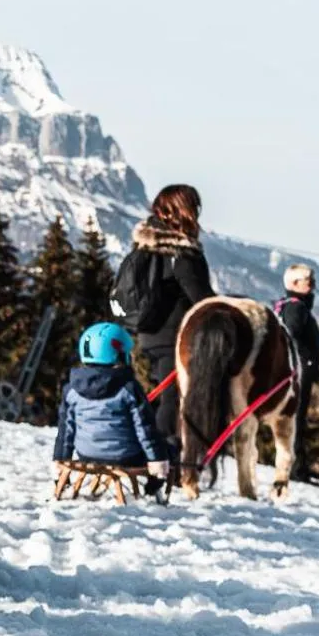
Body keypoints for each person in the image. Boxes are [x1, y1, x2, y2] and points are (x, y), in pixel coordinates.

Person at [127, 184, 215, 475]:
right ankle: (163, 460)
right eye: (195, 208)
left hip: (148, 332)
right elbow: (200, 298)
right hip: (174, 336)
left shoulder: (146, 244)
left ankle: (151, 453)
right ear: (183, 211)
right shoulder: (180, 250)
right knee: (171, 399)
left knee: (160, 394)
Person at [53, 323, 172, 486]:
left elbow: (65, 430)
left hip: (86, 454)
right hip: (126, 456)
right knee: (170, 446)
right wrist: (157, 461)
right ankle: (156, 485)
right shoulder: (128, 388)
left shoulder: (71, 389)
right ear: (118, 355)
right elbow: (145, 429)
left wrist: (61, 460)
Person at [275, 263, 319, 482]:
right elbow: (291, 334)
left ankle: (298, 465)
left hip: (296, 370)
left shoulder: (287, 305)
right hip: (299, 371)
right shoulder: (297, 308)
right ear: (294, 284)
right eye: (308, 281)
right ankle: (297, 468)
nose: (313, 286)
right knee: (297, 419)